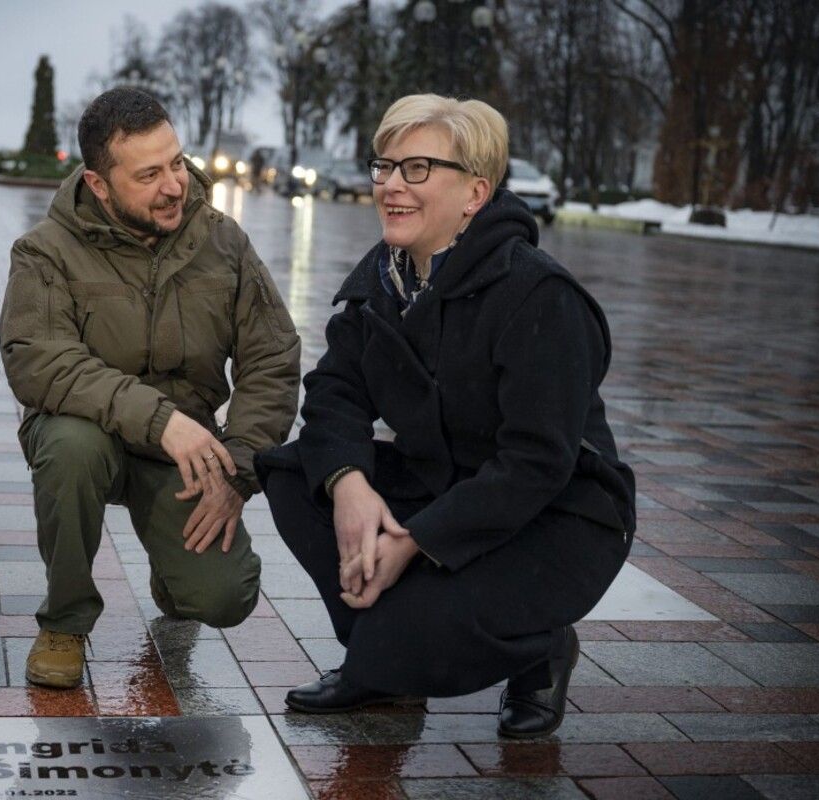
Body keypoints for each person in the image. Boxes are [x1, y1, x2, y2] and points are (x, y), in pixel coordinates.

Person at [255, 95, 635, 739]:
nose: (391, 186)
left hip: (557, 515)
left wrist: (412, 540)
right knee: (299, 476)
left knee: (428, 629)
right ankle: (382, 659)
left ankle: (539, 650)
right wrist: (348, 483)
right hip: (450, 485)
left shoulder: (538, 294)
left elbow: (537, 462)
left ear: (475, 193)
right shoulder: (383, 282)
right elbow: (333, 396)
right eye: (386, 166)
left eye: (419, 169)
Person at [0, 87, 301, 689]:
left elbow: (273, 356)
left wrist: (239, 469)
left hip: (183, 451)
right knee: (71, 448)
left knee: (223, 598)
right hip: (92, 436)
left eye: (176, 163)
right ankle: (64, 621)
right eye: (149, 175)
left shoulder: (224, 242)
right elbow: (39, 361)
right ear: (100, 184)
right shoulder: (44, 252)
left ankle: (173, 574)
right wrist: (160, 420)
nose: (174, 185)